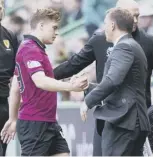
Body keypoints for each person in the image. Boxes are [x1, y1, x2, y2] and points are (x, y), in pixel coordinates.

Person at [53, 0, 153, 155]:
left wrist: (88, 100)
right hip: (110, 114)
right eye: (130, 14)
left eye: (137, 15)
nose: (134, 20)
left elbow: (114, 80)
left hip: (132, 118)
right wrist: (47, 75)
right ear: (117, 15)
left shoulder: (142, 43)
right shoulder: (101, 40)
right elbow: (74, 64)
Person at [1, 8, 88, 156]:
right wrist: (70, 86)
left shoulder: (36, 49)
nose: (57, 32)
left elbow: (15, 87)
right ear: (41, 26)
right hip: (35, 124)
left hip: (48, 122)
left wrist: (13, 118)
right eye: (54, 28)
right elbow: (40, 81)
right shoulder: (30, 49)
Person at [81, 7, 150, 156]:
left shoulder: (124, 47)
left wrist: (88, 101)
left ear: (112, 25)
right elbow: (125, 84)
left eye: (105, 23)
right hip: (133, 122)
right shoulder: (133, 46)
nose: (104, 27)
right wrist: (89, 86)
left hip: (124, 123)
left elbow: (112, 80)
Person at [0, 0, 19, 156]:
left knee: (2, 149)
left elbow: (18, 69)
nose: (0, 9)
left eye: (1, 6)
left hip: (3, 101)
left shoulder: (10, 35)